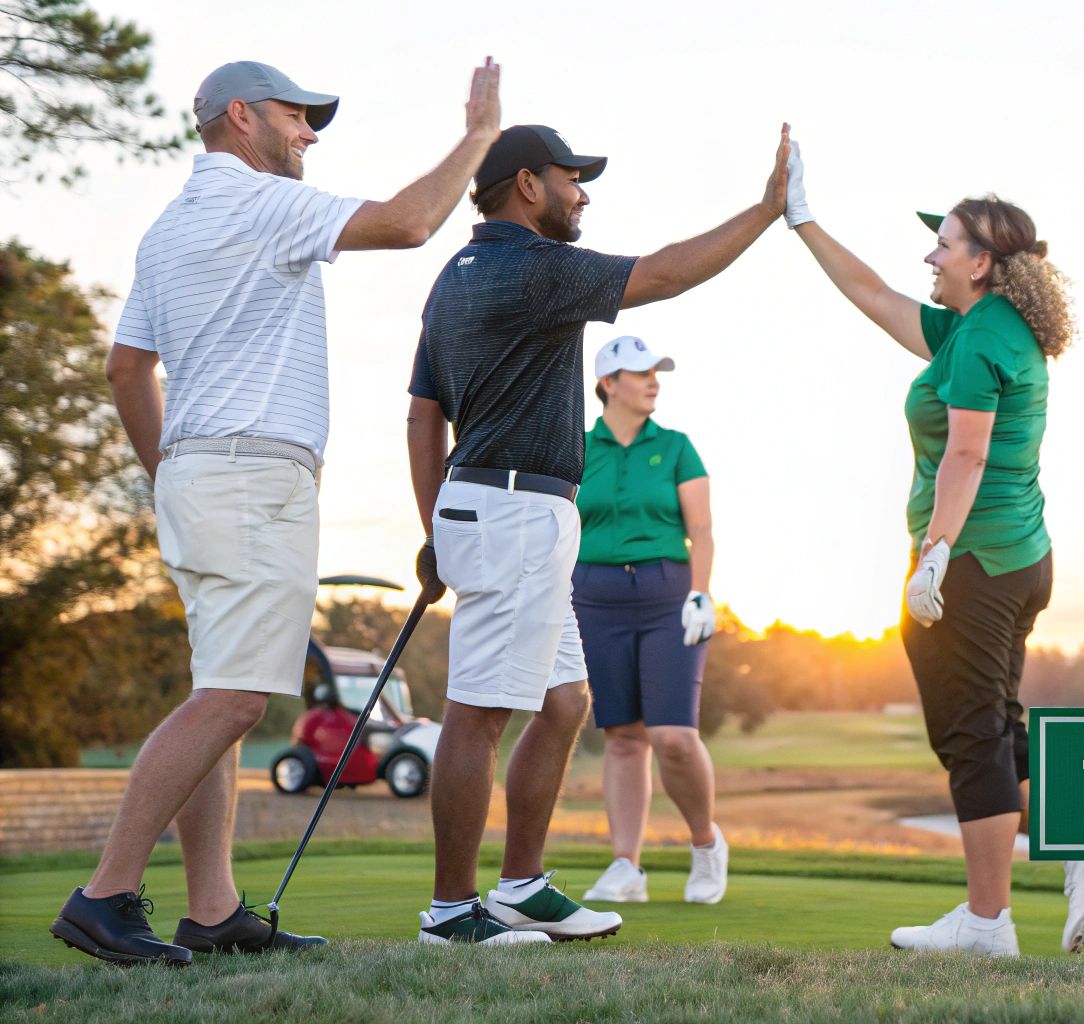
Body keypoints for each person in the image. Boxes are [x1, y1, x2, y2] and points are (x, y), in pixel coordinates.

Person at [51, 57, 504, 966]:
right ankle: (103, 895)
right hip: (253, 482)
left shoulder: (167, 228)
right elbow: (412, 223)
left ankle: (212, 911)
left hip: (202, 479)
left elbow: (125, 369)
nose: (309, 134)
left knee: (217, 688)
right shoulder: (261, 202)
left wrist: (170, 471)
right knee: (234, 697)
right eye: (298, 117)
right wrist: (480, 137)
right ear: (241, 117)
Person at [405, 122, 792, 944]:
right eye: (570, 177)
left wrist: (434, 527)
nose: (582, 193)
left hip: (505, 511)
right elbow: (660, 274)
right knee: (478, 714)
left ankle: (520, 885)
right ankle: (450, 911)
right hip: (512, 512)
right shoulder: (532, 268)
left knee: (566, 701)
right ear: (526, 186)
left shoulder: (454, 276)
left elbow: (422, 415)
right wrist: (765, 212)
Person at [783, 143, 1084, 956]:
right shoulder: (981, 328)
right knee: (996, 729)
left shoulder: (977, 344)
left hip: (973, 561)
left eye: (945, 243)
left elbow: (967, 455)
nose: (931, 254)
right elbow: (873, 294)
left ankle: (986, 924)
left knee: (972, 737)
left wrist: (933, 554)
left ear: (981, 261)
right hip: (1018, 558)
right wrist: (802, 221)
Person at [570, 337, 726, 906]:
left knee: (673, 736)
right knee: (623, 738)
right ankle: (625, 867)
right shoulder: (577, 447)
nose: (653, 380)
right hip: (594, 596)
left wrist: (701, 593)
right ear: (608, 383)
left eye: (656, 371)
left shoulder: (678, 446)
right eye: (640, 373)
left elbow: (701, 529)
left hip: (668, 596)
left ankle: (706, 844)